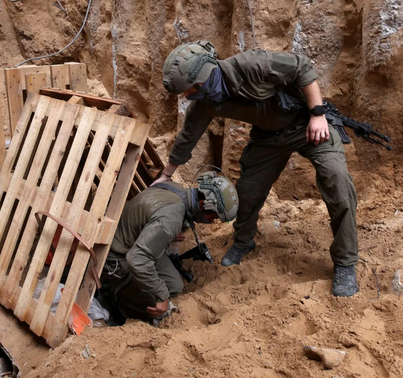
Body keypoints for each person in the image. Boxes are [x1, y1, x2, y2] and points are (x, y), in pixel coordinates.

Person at [153, 41, 359, 297]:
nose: (188, 96)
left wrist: (317, 114)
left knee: (338, 183)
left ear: (204, 77)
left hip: (308, 126)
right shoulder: (205, 101)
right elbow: (187, 137)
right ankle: (243, 242)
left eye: (190, 90)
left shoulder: (252, 64)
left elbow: (303, 68)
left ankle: (345, 262)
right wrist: (166, 174)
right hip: (268, 138)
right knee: (247, 194)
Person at [99, 171, 238, 323]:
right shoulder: (171, 220)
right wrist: (162, 296)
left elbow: (153, 218)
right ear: (202, 204)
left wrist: (166, 234)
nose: (211, 222)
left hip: (134, 241)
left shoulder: (176, 189)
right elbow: (137, 260)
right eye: (213, 217)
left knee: (174, 285)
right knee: (159, 310)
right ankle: (116, 303)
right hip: (117, 257)